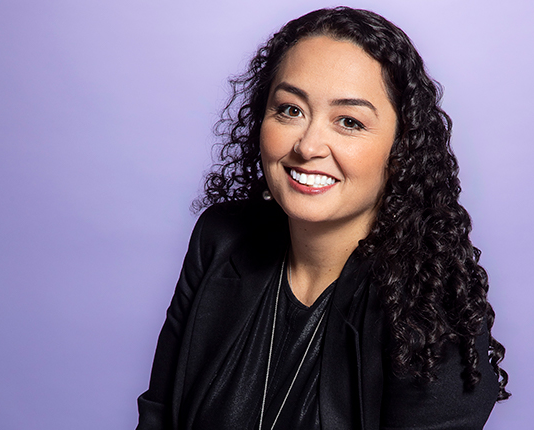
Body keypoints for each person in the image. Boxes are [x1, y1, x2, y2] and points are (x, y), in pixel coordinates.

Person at [136, 6, 509, 430]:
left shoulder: (428, 305)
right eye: (290, 110)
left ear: (401, 148)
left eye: (349, 121)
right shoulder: (220, 239)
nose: (308, 146)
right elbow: (158, 415)